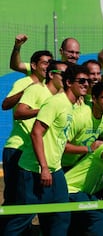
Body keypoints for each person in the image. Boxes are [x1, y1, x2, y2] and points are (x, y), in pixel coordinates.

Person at [3, 64, 90, 235]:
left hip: (55, 169)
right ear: (69, 82)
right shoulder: (56, 102)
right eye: (81, 81)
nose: (86, 84)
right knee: (22, 219)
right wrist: (43, 167)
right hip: (33, 169)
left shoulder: (70, 106)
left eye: (87, 81)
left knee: (61, 215)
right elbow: (36, 133)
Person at [1, 60, 67, 216]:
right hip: (18, 148)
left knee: (33, 202)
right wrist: (45, 111)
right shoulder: (34, 88)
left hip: (34, 152)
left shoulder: (57, 96)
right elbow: (18, 112)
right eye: (63, 74)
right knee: (16, 200)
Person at [62, 82, 103, 171]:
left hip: (77, 164)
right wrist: (89, 148)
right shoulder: (80, 117)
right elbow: (61, 145)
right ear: (94, 99)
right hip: (59, 165)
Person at [9, 35, 80, 74]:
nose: (74, 56)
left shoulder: (81, 74)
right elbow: (16, 66)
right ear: (61, 51)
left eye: (77, 53)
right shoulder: (47, 68)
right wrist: (17, 47)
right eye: (70, 52)